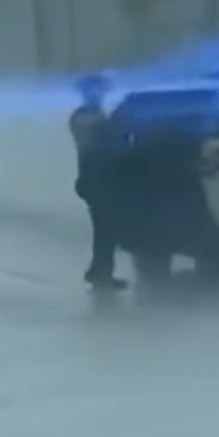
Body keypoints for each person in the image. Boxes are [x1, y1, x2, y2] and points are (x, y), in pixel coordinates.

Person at [70, 73, 128, 290]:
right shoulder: (85, 116)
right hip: (97, 180)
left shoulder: (95, 114)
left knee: (106, 231)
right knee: (105, 230)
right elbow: (94, 144)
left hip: (100, 179)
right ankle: (99, 273)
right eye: (98, 90)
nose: (101, 94)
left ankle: (100, 271)